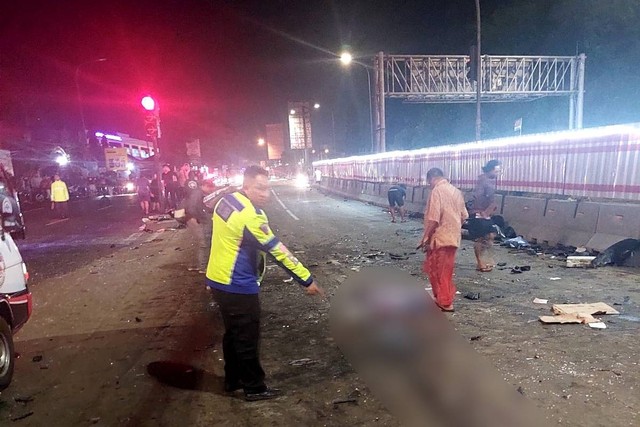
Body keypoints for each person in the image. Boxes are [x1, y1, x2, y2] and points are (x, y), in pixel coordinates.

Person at [206, 165, 324, 402]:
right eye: (259, 188)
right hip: (237, 284)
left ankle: (233, 379)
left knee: (232, 334)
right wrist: (306, 280)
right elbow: (278, 251)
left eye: (267, 188)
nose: (265, 194)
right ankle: (254, 387)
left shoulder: (226, 201)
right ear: (246, 186)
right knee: (247, 338)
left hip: (217, 281)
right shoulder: (251, 216)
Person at [419, 168, 468, 312]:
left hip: (439, 238)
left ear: (431, 179)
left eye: (428, 182)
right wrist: (454, 226)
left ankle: (444, 301)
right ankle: (442, 298)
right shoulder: (456, 191)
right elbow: (464, 215)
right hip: (453, 238)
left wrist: (426, 237)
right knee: (446, 269)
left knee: (436, 270)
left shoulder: (437, 191)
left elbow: (433, 219)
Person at [468, 159, 502, 272]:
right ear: (490, 170)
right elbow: (478, 198)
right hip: (480, 213)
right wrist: (484, 213)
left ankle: (483, 260)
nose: (497, 174)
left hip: (483, 213)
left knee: (489, 235)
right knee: (481, 238)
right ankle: (480, 262)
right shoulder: (484, 182)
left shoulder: (483, 181)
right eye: (496, 172)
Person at [184, 179, 215, 273]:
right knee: (203, 243)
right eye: (210, 188)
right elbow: (192, 208)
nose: (211, 191)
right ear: (205, 185)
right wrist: (200, 218)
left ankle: (199, 264)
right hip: (193, 220)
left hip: (195, 219)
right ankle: (202, 267)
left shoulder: (200, 193)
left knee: (202, 242)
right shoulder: (197, 193)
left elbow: (201, 206)